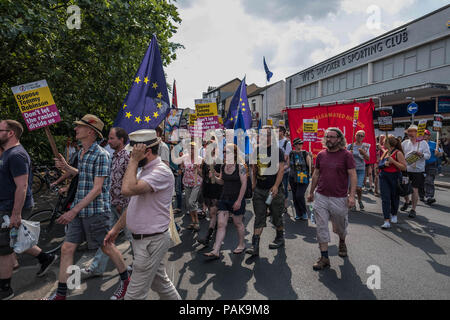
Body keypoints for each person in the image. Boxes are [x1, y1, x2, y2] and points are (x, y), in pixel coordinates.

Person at [44, 114, 129, 300]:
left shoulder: (102, 155)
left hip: (96, 212)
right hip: (79, 210)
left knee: (107, 247)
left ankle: (126, 280)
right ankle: (61, 295)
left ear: (90, 131)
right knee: (66, 249)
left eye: (79, 127)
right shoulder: (81, 152)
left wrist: (73, 211)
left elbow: (97, 188)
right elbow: (83, 174)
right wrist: (67, 167)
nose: (75, 129)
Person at [104, 129, 181, 300]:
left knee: (133, 295)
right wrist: (116, 229)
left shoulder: (161, 171)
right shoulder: (143, 170)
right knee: (161, 284)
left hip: (151, 242)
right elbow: (133, 205)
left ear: (146, 152)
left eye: (135, 153)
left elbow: (127, 190)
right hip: (144, 240)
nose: (132, 156)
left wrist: (132, 160)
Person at [0, 120, 58, 300]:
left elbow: (22, 186)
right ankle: (45, 258)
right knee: (16, 240)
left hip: (11, 208)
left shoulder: (16, 154)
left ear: (10, 133)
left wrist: (16, 213)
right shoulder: (7, 153)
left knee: (4, 249)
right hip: (6, 207)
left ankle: (5, 290)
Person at [79, 127, 133, 278]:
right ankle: (96, 268)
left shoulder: (128, 157)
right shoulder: (113, 156)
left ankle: (140, 265)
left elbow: (130, 182)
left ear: (121, 140)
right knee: (107, 237)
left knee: (132, 237)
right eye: (109, 139)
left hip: (125, 207)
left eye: (111, 139)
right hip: (112, 205)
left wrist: (122, 202)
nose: (108, 142)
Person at [307, 127, 356, 271]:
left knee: (340, 227)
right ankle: (324, 257)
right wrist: (311, 192)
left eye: (332, 137)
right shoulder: (321, 155)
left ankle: (342, 240)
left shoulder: (346, 155)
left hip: (339, 198)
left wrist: (351, 196)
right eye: (327, 137)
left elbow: (353, 176)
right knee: (321, 226)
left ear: (339, 139)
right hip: (321, 196)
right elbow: (316, 174)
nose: (329, 139)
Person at [246, 126, 286, 257]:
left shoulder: (277, 150)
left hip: (274, 190)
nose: (264, 137)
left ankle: (280, 237)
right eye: (262, 134)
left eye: (267, 134)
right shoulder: (256, 150)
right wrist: (253, 184)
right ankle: (255, 246)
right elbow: (254, 168)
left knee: (276, 216)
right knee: (259, 217)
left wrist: (275, 186)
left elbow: (281, 170)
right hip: (259, 190)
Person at [203, 144, 247, 259]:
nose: (224, 154)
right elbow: (222, 182)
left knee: (238, 223)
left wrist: (238, 201)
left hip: (236, 199)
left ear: (234, 153)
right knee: (221, 224)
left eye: (226, 151)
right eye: (223, 152)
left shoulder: (240, 166)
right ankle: (216, 250)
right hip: (224, 198)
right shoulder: (223, 166)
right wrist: (214, 177)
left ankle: (241, 244)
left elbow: (244, 185)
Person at [400, 125, 431, 218]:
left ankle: (413, 209)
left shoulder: (423, 143)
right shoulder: (404, 143)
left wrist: (421, 154)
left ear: (417, 134)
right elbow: (400, 154)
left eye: (412, 133)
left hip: (418, 170)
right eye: (409, 133)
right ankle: (407, 201)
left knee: (414, 189)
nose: (410, 135)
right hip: (406, 169)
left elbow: (428, 155)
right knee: (404, 187)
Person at [379, 135, 407, 229]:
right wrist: (384, 164)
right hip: (384, 177)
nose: (382, 143)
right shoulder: (386, 152)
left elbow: (404, 167)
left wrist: (393, 162)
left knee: (394, 197)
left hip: (395, 177)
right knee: (385, 199)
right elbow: (379, 164)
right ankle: (386, 220)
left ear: (388, 143)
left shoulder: (398, 153)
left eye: (384, 142)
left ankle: (394, 214)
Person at [197, 142, 223, 246]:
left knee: (212, 213)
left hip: (216, 190)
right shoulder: (204, 161)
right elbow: (203, 176)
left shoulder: (219, 161)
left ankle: (207, 237)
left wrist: (215, 174)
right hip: (207, 189)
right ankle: (215, 227)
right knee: (212, 213)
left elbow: (222, 177)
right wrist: (197, 170)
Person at [181, 142, 203, 232]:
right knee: (188, 204)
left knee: (191, 202)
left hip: (196, 183)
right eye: (190, 148)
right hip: (186, 182)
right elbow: (182, 168)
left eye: (193, 148)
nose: (191, 150)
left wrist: (198, 168)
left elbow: (202, 174)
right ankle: (193, 221)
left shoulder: (200, 159)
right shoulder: (184, 158)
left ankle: (197, 221)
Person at [288, 138, 312, 221]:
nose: (300, 145)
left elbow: (309, 165)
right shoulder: (291, 153)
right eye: (298, 144)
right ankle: (298, 213)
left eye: (301, 143)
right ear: (294, 145)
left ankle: (304, 212)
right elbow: (288, 165)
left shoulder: (305, 153)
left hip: (303, 177)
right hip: (292, 177)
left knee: (299, 195)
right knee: (295, 196)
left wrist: (310, 157)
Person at [347, 130, 369, 211]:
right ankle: (353, 203)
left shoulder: (365, 146)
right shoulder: (350, 146)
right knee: (351, 188)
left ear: (363, 137)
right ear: (355, 136)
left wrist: (364, 153)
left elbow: (368, 159)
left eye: (361, 136)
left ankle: (359, 200)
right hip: (351, 170)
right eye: (358, 135)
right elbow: (344, 156)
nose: (359, 137)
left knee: (358, 188)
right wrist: (349, 152)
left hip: (360, 169)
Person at [420, 130, 443, 205]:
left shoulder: (434, 144)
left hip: (431, 165)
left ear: (429, 136)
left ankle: (429, 197)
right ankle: (422, 195)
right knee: (421, 181)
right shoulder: (418, 144)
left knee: (429, 180)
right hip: (420, 165)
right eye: (423, 134)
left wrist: (438, 153)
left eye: (426, 134)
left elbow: (440, 154)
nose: (424, 135)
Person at [278, 126, 292, 213]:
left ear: (283, 132)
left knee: (284, 188)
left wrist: (281, 166)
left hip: (284, 169)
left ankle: (284, 205)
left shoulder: (287, 142)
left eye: (278, 131)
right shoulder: (274, 141)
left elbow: (287, 157)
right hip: (274, 169)